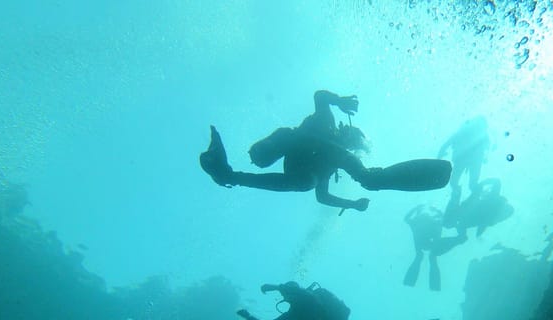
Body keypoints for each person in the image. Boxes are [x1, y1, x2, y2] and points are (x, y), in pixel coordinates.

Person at [200, 90, 452, 212]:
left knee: (304, 179)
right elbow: (320, 96)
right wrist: (340, 100)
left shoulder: (336, 156)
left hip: (300, 166)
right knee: (367, 179)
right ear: (347, 133)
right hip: (295, 151)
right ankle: (228, 174)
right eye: (353, 139)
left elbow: (323, 197)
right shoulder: (329, 130)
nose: (351, 141)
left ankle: (227, 175)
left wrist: (352, 204)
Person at [402, 205, 467, 291]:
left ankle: (410, 282)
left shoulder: (416, 221)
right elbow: (444, 218)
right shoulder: (432, 222)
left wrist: (416, 209)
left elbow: (406, 218)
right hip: (432, 243)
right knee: (431, 257)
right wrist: (436, 210)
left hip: (423, 243)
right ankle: (434, 287)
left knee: (420, 256)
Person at [437, 116, 491, 198]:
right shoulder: (482, 136)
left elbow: (447, 143)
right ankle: (481, 196)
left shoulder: (462, 132)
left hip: (462, 159)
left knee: (454, 182)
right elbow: (488, 148)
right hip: (472, 161)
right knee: (472, 184)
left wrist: (440, 156)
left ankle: (458, 194)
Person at [237, 281, 350, 320]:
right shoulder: (291, 314)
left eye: (290, 291)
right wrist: (248, 316)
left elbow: (302, 293)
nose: (287, 295)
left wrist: (276, 287)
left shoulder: (310, 298)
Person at [443, 178, 514, 238]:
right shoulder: (495, 202)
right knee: (448, 223)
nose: (505, 216)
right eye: (506, 214)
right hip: (468, 209)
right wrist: (482, 184)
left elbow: (481, 225)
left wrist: (482, 184)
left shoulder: (493, 216)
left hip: (466, 213)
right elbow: (497, 182)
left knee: (449, 224)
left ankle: (457, 193)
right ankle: (457, 193)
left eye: (506, 216)